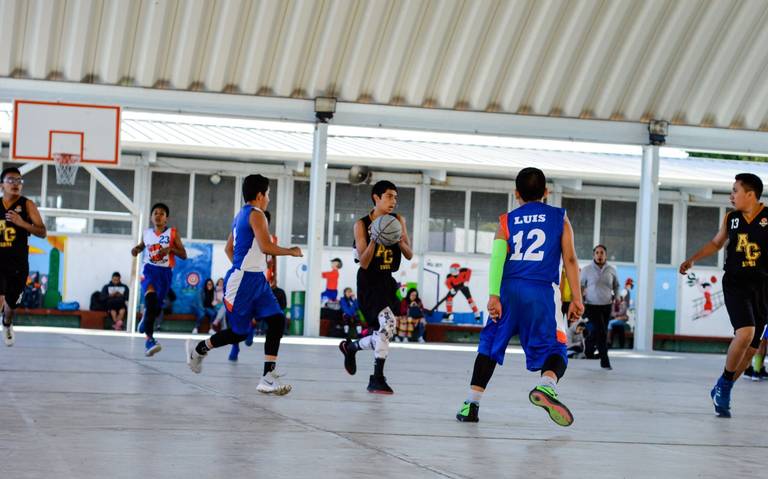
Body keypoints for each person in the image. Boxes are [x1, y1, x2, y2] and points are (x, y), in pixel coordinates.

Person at [455, 167, 583, 426]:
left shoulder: (507, 220)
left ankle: (471, 405)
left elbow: (497, 259)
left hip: (508, 291)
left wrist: (493, 295)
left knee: (490, 345)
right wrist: (577, 298)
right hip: (542, 292)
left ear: (516, 194)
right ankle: (547, 385)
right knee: (557, 345)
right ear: (546, 193)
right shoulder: (560, 218)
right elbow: (569, 259)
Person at [188, 174, 302, 396]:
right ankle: (200, 349)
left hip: (256, 279)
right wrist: (291, 251)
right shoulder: (257, 215)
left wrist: (244, 267)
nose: (268, 198)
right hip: (243, 283)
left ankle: (267, 377)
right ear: (260, 195)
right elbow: (266, 246)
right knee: (239, 333)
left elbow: (229, 249)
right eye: (268, 194)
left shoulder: (241, 214)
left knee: (277, 320)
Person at [680, 173, 768, 417]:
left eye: (735, 190)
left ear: (750, 194)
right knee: (746, 331)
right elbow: (717, 243)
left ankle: (722, 385)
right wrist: (692, 259)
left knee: (751, 350)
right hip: (736, 283)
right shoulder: (731, 218)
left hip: (762, 288)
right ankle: (726, 387)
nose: (731, 195)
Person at [339, 180, 414, 394]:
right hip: (369, 282)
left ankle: (351, 347)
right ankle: (377, 378)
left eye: (395, 197)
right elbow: (363, 262)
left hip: (387, 281)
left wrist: (400, 242)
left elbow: (409, 254)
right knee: (388, 324)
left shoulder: (398, 220)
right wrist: (374, 240)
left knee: (386, 330)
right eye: (389, 196)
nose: (393, 201)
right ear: (376, 198)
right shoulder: (361, 224)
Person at [131, 202, 187, 356]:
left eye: (162, 213)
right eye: (155, 213)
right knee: (150, 301)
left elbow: (184, 254)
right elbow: (143, 245)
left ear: (166, 219)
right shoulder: (146, 233)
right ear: (151, 217)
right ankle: (149, 340)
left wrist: (170, 249)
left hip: (165, 274)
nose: (158, 215)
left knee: (154, 308)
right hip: (149, 271)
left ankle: (145, 319)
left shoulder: (172, 233)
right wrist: (137, 249)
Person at [0, 167, 46, 346]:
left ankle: (7, 322)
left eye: (19, 180)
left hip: (18, 264)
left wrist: (22, 223)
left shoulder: (27, 205)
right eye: (11, 180)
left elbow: (42, 232)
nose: (15, 184)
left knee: (11, 304)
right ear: (2, 185)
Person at [580, 245, 619, 370]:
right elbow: (580, 285)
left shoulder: (611, 269)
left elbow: (616, 285)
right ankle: (604, 360)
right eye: (597, 252)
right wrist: (580, 301)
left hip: (606, 305)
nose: (599, 255)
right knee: (601, 331)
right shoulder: (586, 269)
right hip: (591, 305)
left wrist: (616, 297)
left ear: (605, 255)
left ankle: (589, 346)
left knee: (600, 331)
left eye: (602, 252)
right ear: (594, 255)